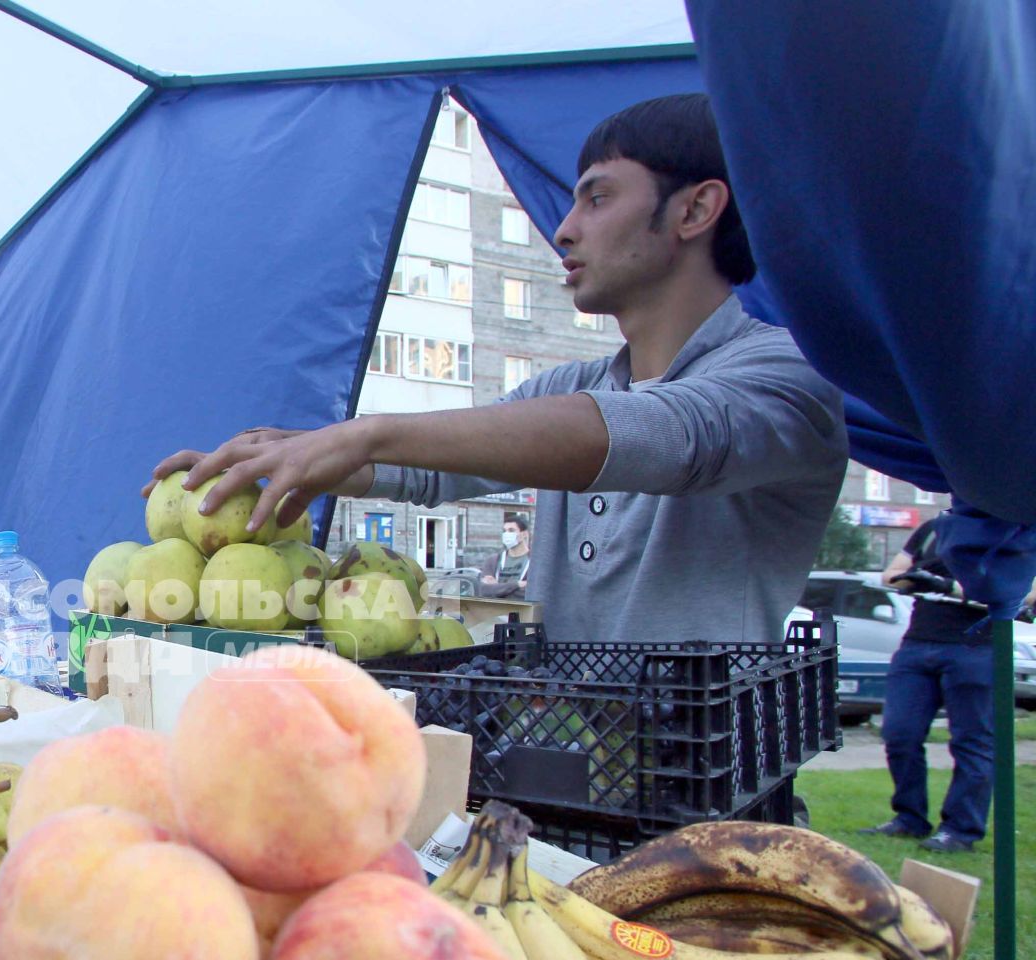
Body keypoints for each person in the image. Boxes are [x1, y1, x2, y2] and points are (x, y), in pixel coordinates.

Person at [147, 94, 847, 645]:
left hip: (710, 795)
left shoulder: (789, 376)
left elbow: (666, 434)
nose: (565, 229)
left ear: (696, 208)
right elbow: (428, 469)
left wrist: (364, 434)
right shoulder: (567, 388)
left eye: (598, 198)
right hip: (563, 770)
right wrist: (292, 452)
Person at [859, 512, 996, 852]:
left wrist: (950, 586)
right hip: (917, 645)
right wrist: (914, 579)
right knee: (899, 733)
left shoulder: (1009, 531)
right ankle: (909, 819)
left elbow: (1025, 592)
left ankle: (961, 831)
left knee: (971, 742)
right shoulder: (934, 528)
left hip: (974, 647)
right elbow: (891, 574)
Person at [476, 513, 533, 599]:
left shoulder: (534, 561)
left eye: (511, 530)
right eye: (504, 531)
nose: (507, 534)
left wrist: (498, 588)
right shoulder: (493, 561)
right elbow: (485, 590)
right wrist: (517, 584)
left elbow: (530, 592)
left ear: (524, 534)